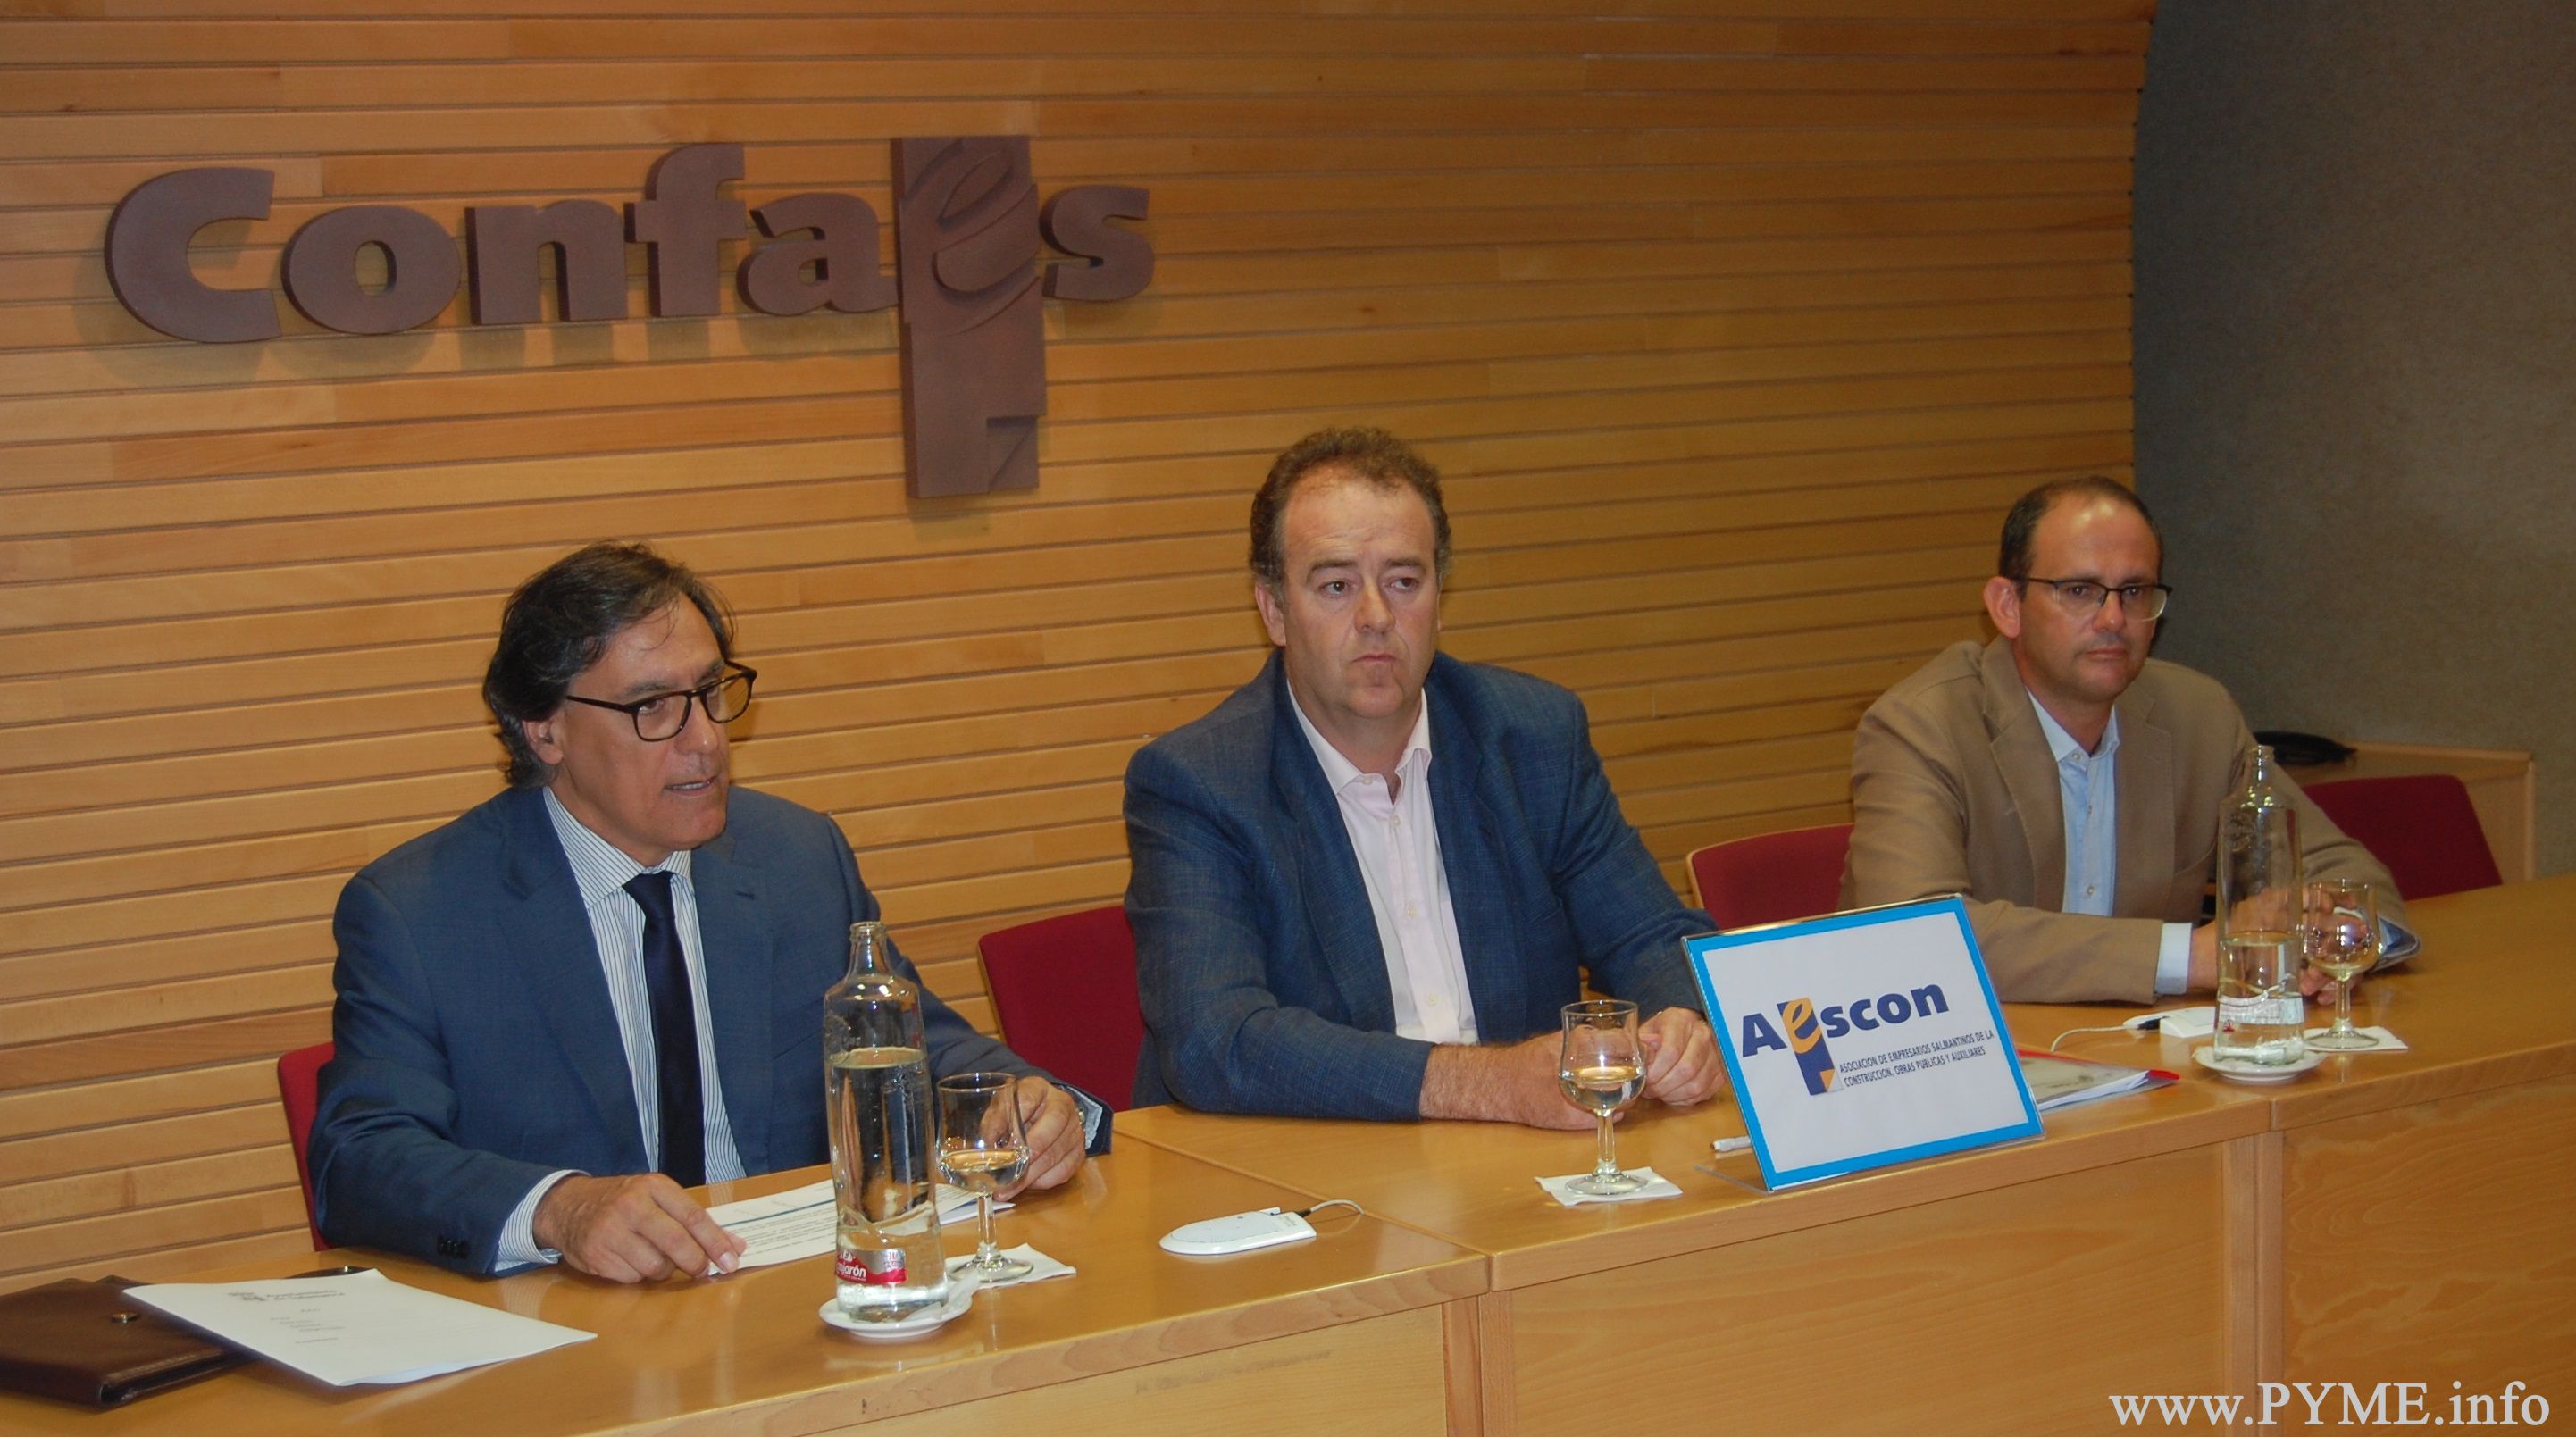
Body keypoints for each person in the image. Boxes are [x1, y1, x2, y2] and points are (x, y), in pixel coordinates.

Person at [311, 542, 1107, 1282]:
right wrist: (559, 1207)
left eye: (711, 692)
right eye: (653, 706)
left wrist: (1026, 1101)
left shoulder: (797, 859)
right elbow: (361, 1159)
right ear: (545, 729)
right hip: (574, 1322)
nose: (706, 741)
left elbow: (917, 1051)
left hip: (799, 1296)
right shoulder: (421, 911)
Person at [1123, 427, 1722, 1125]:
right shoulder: (1201, 783)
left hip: (1527, 1160)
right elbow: (1216, 1040)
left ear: (1440, 596)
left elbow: (1651, 936)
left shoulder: (1532, 738)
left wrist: (1681, 1023)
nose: (1377, 618)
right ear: (1275, 610)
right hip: (1311, 1168)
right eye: (1337, 585)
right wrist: (1488, 1083)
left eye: (1404, 582)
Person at [1842, 476, 2410, 1004]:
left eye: (2134, 591)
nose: (2114, 618)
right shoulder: (1921, 726)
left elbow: (2339, 866)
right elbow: (1914, 937)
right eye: (2080, 590)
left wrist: (2336, 937)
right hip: (1976, 1053)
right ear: (2008, 607)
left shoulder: (2199, 715)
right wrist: (2196, 956)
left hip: (2146, 1049)